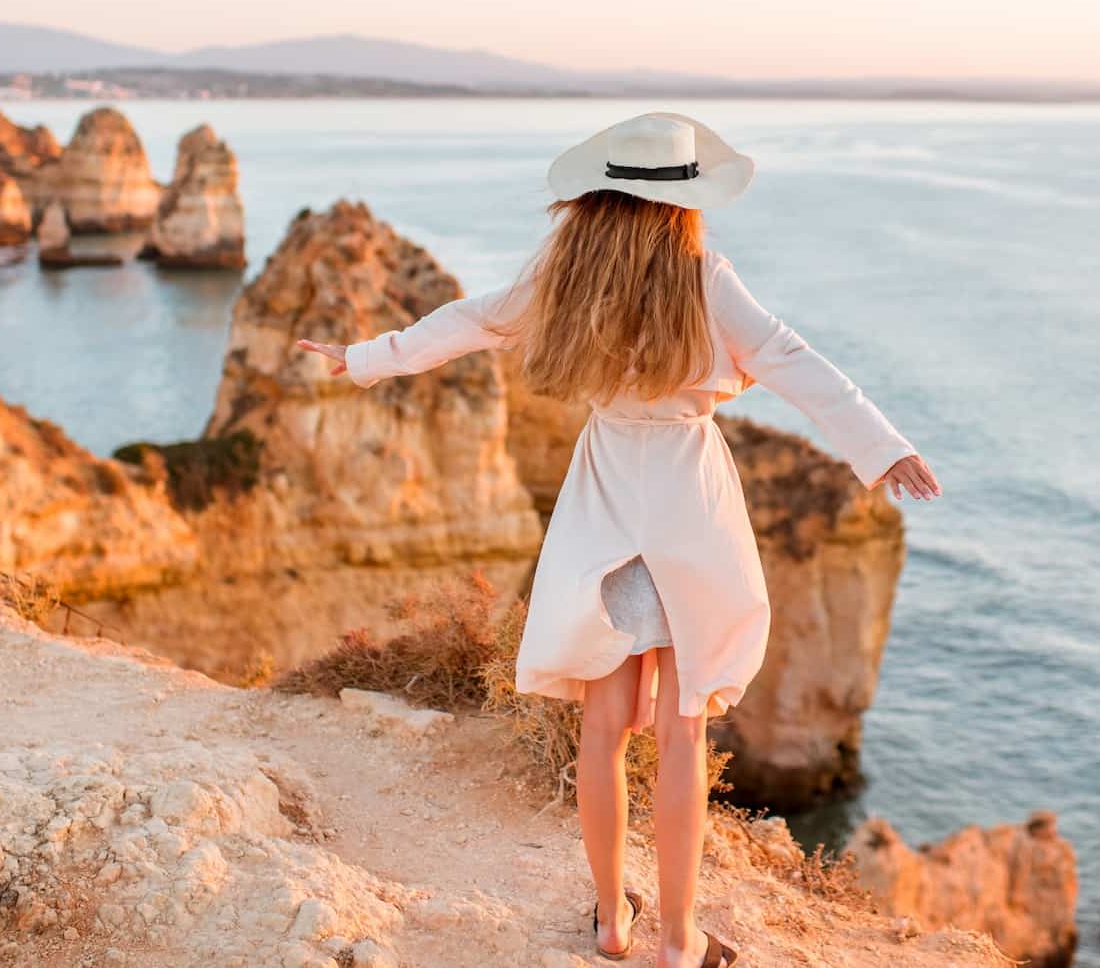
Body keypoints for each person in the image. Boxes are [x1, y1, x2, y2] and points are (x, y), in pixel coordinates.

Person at [298, 112, 939, 967]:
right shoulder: (705, 276)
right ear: (684, 200)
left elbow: (472, 320)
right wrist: (882, 444)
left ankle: (609, 919)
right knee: (682, 731)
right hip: (690, 511)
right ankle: (679, 941)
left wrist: (367, 356)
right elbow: (793, 359)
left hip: (603, 507)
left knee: (603, 730)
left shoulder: (566, 272)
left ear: (602, 188)